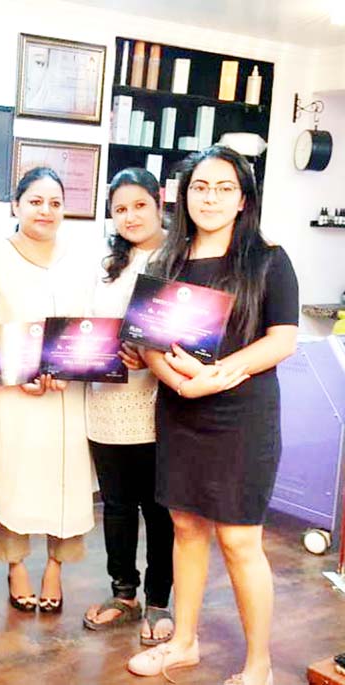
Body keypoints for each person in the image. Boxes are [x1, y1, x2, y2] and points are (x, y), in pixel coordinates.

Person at [126, 146, 298, 685]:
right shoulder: (165, 264)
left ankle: (258, 666)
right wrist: (180, 381)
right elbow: (147, 341)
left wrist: (218, 375)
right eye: (201, 187)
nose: (211, 198)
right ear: (184, 195)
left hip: (242, 416)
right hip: (181, 412)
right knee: (185, 526)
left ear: (243, 198)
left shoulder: (269, 259)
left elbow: (283, 339)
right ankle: (184, 642)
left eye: (225, 188)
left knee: (240, 539)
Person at [0, 167, 94, 614]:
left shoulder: (82, 258)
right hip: (16, 393)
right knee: (16, 479)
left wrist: (75, 366)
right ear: (16, 206)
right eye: (35, 201)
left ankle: (56, 566)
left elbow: (90, 326)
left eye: (54, 202)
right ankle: (15, 565)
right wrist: (19, 371)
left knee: (66, 482)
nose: (45, 211)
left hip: (68, 395)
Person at [82, 168, 175, 643]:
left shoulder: (180, 259)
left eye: (139, 204)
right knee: (116, 507)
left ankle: (160, 601)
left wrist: (152, 354)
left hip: (161, 406)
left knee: (159, 509)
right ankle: (124, 593)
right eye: (120, 209)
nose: (131, 216)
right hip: (105, 403)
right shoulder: (106, 265)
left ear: (159, 201)